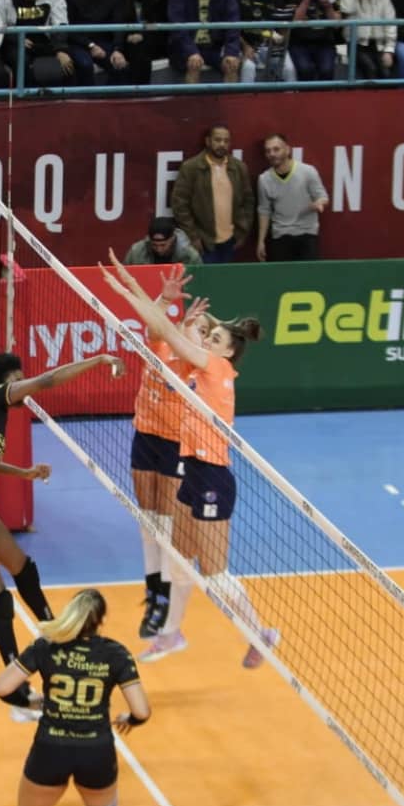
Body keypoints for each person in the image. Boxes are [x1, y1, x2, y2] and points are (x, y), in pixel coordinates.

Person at [100, 252, 278, 669]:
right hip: (193, 470)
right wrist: (131, 289)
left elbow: (165, 330)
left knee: (214, 574)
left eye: (215, 337)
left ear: (227, 353)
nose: (209, 339)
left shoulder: (216, 367)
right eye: (208, 335)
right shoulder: (200, 367)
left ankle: (261, 633)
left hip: (214, 477)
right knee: (179, 560)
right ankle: (171, 633)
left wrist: (129, 289)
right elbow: (162, 332)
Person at [0, 350, 125, 718]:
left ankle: (57, 636)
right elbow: (48, 381)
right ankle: (16, 693)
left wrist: (25, 473)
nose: (25, 386)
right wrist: (97, 361)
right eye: (19, 379)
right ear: (6, 381)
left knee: (24, 568)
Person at [0, 588, 151, 806]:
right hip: (96, 749)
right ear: (101, 620)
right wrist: (130, 719)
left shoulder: (45, 646)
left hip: (51, 747)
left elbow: (2, 687)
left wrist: (31, 702)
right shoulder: (116, 654)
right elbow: (141, 711)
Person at [124, 265, 209, 639]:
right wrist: (166, 300)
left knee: (168, 526)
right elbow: (156, 327)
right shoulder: (160, 345)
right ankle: (153, 593)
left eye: (206, 332)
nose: (200, 332)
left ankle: (163, 599)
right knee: (148, 521)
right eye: (197, 325)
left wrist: (188, 336)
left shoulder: (198, 363)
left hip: (175, 445)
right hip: (146, 436)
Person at [171, 124, 255, 264]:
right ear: (208, 141)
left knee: (225, 282)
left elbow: (248, 200)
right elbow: (179, 204)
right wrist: (193, 236)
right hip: (204, 241)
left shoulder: (239, 167)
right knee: (207, 283)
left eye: (226, 141)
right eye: (217, 140)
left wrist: (242, 232)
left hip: (231, 240)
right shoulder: (191, 167)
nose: (222, 144)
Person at [256, 132, 328, 262]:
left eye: (276, 149)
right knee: (282, 280)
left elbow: (322, 196)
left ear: (287, 150)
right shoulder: (264, 179)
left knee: (309, 280)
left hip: (307, 234)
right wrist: (261, 241)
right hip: (280, 236)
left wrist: (319, 203)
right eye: (268, 151)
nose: (272, 154)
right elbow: (264, 211)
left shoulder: (308, 171)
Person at [121, 216, 202, 266]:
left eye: (163, 245)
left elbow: (198, 282)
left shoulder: (190, 256)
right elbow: (124, 276)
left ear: (172, 238)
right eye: (154, 245)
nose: (159, 249)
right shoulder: (136, 252)